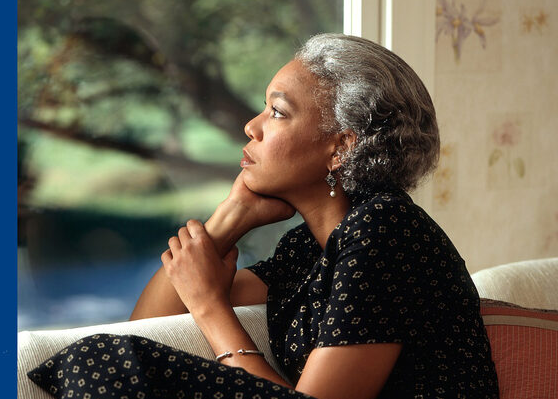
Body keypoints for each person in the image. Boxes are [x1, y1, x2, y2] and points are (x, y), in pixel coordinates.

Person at [29, 33, 499, 399]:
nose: (251, 125)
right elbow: (143, 324)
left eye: (277, 112)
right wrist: (229, 219)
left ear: (341, 148)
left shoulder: (386, 233)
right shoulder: (308, 248)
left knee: (105, 360)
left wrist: (211, 307)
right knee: (109, 355)